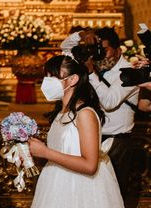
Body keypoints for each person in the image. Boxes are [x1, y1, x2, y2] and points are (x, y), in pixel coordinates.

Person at [28, 55, 124, 207]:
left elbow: (90, 165)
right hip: (55, 183)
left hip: (80, 187)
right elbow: (61, 152)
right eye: (46, 76)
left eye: (52, 76)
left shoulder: (85, 114)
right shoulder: (61, 112)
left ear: (73, 80)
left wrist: (46, 152)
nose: (47, 81)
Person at [87, 27, 140, 198]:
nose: (100, 54)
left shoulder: (130, 73)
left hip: (118, 142)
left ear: (118, 50)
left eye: (104, 49)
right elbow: (67, 47)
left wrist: (91, 75)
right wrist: (82, 36)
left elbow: (109, 102)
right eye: (98, 49)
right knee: (95, 194)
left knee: (115, 194)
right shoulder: (99, 69)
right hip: (96, 138)